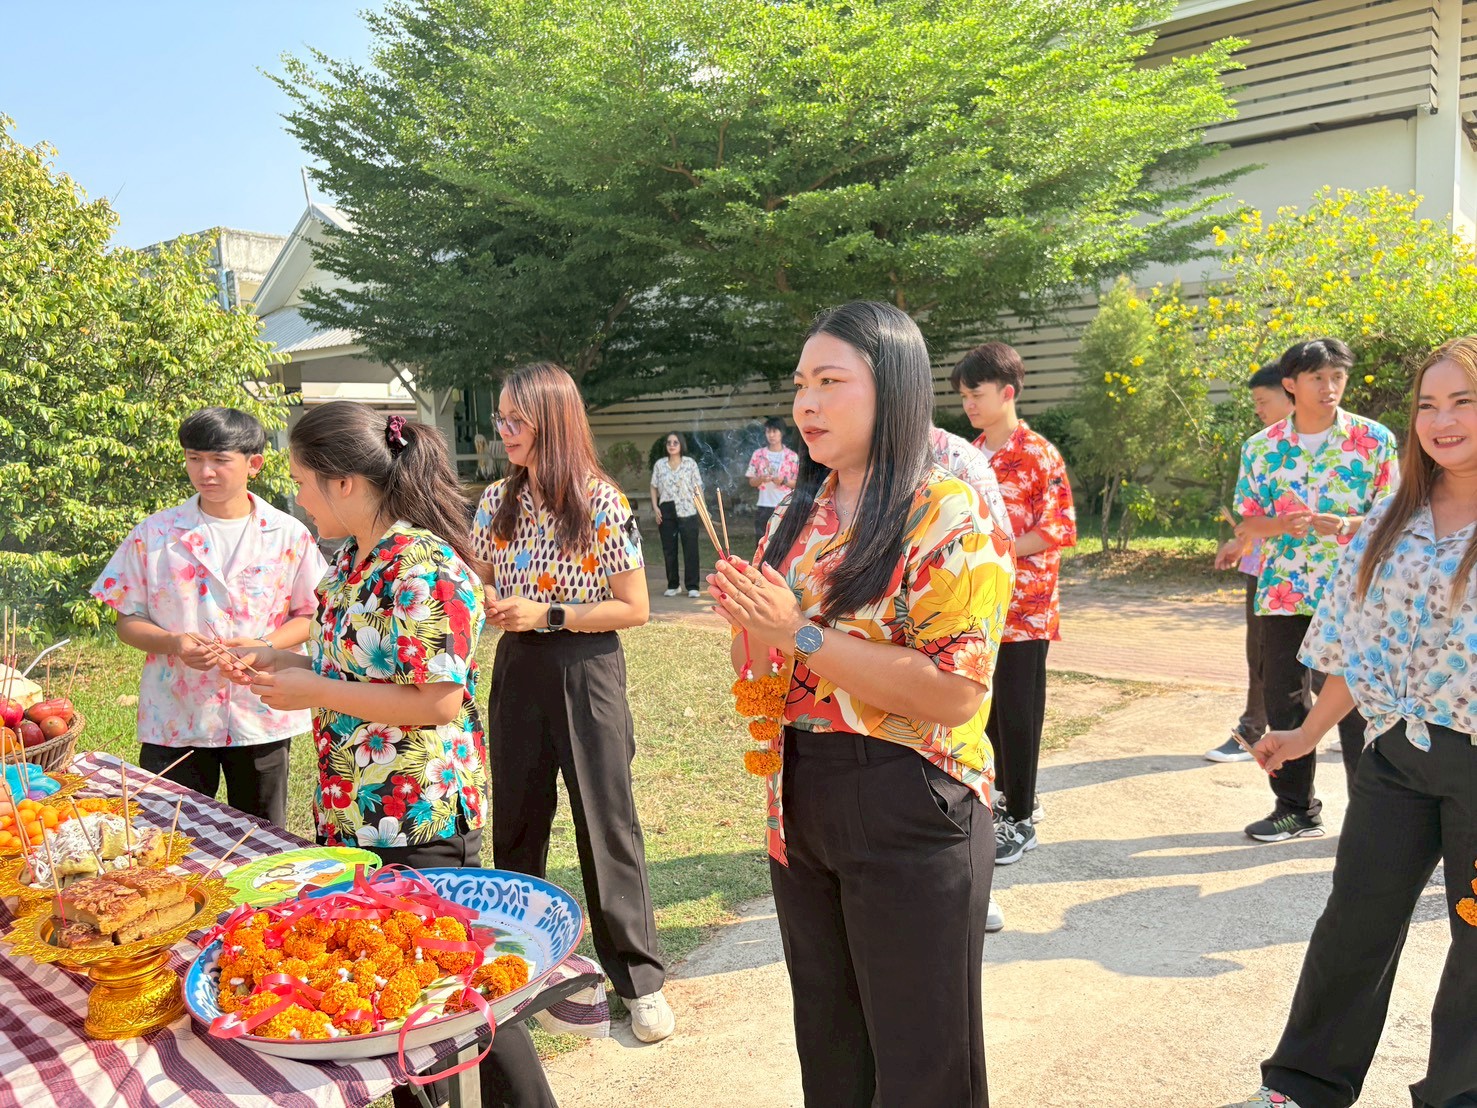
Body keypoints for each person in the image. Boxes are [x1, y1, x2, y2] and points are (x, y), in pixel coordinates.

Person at [711, 301, 1013, 1107]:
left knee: (922, 1065)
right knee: (833, 1052)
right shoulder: (794, 514)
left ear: (893, 389)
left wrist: (798, 634)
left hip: (909, 796)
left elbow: (952, 693)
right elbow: (763, 662)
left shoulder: (944, 511)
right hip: (799, 795)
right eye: (800, 384)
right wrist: (751, 623)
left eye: (830, 382)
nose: (806, 404)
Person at [230, 400, 555, 1108]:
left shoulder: (422, 564)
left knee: (464, 1005)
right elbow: (348, 661)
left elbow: (437, 701)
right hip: (357, 816)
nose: (299, 496)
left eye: (304, 481)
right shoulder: (348, 561)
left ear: (346, 482)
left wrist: (313, 689)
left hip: (421, 820)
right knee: (392, 1001)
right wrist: (272, 662)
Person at [1232, 337, 1477, 1108]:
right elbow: (1352, 645)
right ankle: (1303, 1084)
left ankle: (1458, 1093)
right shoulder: (1390, 514)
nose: (1441, 420)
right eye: (1427, 404)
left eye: (1461, 401)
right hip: (1396, 758)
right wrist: (1305, 734)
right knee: (1355, 923)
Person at [471, 362, 673, 1044]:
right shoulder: (496, 499)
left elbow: (635, 607)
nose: (502, 432)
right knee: (518, 824)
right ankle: (512, 969)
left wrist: (547, 613)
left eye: (514, 421)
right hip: (516, 669)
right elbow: (475, 581)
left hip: (585, 667)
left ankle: (639, 981)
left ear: (551, 422)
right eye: (499, 419)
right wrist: (492, 606)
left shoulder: (599, 500)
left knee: (605, 822)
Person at [90, 407, 326, 826]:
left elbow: (312, 615)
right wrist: (172, 643)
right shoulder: (155, 534)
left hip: (261, 707)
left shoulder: (289, 534)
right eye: (195, 458)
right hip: (176, 714)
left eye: (220, 460)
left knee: (260, 834)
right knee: (168, 835)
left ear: (254, 464)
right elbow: (127, 619)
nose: (206, 471)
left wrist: (265, 646)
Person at [1231, 338, 1397, 842]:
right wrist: (1284, 524)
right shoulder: (1261, 448)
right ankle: (1295, 809)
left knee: (1355, 703)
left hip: (1354, 593)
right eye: (1317, 378)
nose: (1329, 388)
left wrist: (1347, 523)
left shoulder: (1373, 441)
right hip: (1283, 592)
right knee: (1284, 701)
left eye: (1337, 378)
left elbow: (1398, 516)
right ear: (1291, 385)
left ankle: (1370, 816)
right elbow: (1248, 522)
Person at [952, 341, 1077, 867]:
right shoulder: (969, 453)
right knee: (991, 709)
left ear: (1007, 393)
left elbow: (1058, 528)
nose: (969, 405)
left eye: (976, 394)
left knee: (1020, 712)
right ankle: (1003, 799)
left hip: (1025, 608)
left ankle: (1021, 817)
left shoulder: (1038, 454)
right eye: (962, 396)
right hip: (982, 604)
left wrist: (994, 545)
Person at [1206, 363, 1296, 763]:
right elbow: (1256, 516)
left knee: (1315, 659)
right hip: (1262, 571)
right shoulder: (1261, 447)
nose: (1258, 409)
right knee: (1262, 654)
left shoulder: (1318, 451)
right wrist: (1239, 544)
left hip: (1303, 574)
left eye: (1264, 401)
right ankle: (1253, 728)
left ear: (1290, 393)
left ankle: (1264, 731)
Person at [649, 431, 704, 597]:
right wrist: (655, 507)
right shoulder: (660, 465)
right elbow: (654, 486)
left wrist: (703, 508)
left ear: (681, 445)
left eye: (675, 442)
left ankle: (692, 586)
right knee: (669, 549)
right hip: (666, 509)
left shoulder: (690, 464)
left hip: (688, 509)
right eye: (669, 443)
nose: (671, 445)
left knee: (691, 549)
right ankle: (673, 585)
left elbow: (698, 487)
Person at [745, 416, 799, 544]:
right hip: (764, 505)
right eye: (768, 431)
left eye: (775, 431)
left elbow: (798, 483)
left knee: (784, 543)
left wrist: (783, 481)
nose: (771, 435)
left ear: (782, 433)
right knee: (762, 544)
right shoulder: (758, 454)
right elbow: (751, 481)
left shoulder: (792, 456)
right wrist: (761, 478)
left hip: (785, 505)